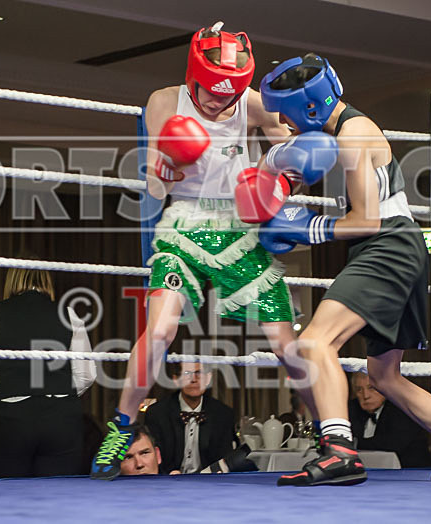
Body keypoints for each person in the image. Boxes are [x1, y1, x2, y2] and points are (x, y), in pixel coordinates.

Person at [256, 53, 431, 485]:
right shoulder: (342, 131)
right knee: (384, 376)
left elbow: (366, 221)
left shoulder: (353, 134)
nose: (282, 121)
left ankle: (339, 452)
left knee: (314, 343)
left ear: (310, 107)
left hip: (386, 244)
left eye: (287, 112)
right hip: (399, 245)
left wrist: (308, 229)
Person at [91, 20, 313, 481]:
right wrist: (168, 166)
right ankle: (121, 427)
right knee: (159, 332)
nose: (219, 102)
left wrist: (284, 180)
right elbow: (153, 179)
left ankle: (330, 433)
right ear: (194, 76)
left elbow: (293, 154)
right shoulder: (164, 101)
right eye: (212, 92)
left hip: (239, 226)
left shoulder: (249, 104)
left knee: (284, 342)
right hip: (184, 223)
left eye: (228, 94)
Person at [0, 266, 96, 478]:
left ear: (11, 280)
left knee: (3, 495)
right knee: (60, 494)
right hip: (61, 418)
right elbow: (86, 376)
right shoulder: (69, 314)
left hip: (12, 418)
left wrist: (9, 385)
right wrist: (57, 388)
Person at [144, 362, 237, 474]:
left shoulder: (223, 414)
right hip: (167, 481)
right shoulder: (157, 413)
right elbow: (152, 456)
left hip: (210, 482)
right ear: (176, 380)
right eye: (187, 373)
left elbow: (225, 456)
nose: (193, 379)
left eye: (199, 373)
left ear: (208, 379)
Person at [349, 372, 431, 468]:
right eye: (359, 390)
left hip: (413, 473)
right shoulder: (352, 408)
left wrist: (354, 443)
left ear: (385, 388)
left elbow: (391, 444)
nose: (366, 395)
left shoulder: (402, 407)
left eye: (371, 388)